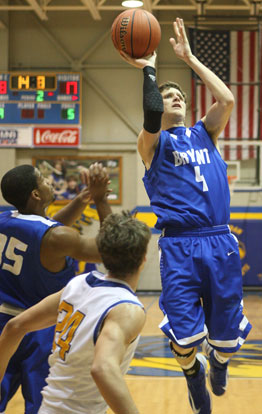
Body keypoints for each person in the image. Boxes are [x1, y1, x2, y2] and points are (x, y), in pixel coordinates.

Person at [120, 17, 252, 414]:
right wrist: (150, 69)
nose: (176, 98)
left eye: (180, 95)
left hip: (219, 239)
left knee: (227, 339)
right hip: (179, 244)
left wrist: (190, 59)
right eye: (169, 96)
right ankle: (192, 372)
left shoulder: (205, 133)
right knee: (183, 337)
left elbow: (227, 100)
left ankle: (218, 363)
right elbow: (149, 109)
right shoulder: (151, 144)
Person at [0, 211, 151, 414]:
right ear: (143, 259)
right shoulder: (127, 309)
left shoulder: (78, 284)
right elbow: (102, 369)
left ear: (102, 254)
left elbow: (14, 326)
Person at [0, 162, 112, 414]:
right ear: (36, 194)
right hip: (41, 329)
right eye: (42, 179)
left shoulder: (5, 220)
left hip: (4, 323)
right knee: (43, 407)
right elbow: (109, 251)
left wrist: (82, 199)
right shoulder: (57, 238)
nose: (49, 180)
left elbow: (44, 227)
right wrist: (101, 200)